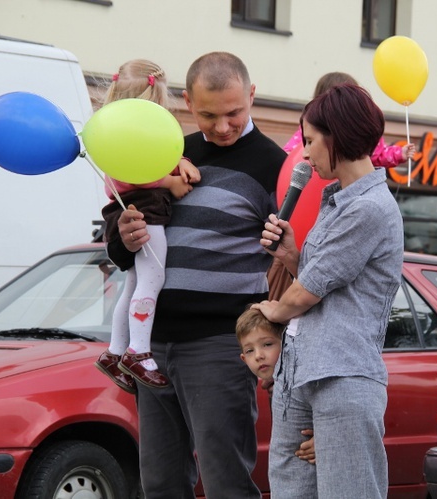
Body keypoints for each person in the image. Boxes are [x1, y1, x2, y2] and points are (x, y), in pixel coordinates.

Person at [110, 52, 288, 498]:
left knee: (226, 479)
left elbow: (295, 257)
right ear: (187, 102)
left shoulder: (274, 166)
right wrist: (125, 237)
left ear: (251, 95)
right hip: (152, 345)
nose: (223, 126)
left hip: (220, 345)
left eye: (234, 113)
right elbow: (123, 247)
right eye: (209, 115)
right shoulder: (169, 151)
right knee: (160, 482)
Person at [254, 83, 404, 498]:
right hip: (304, 371)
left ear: (335, 136)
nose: (303, 153)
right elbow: (328, 279)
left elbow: (308, 293)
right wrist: (290, 258)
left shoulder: (370, 206)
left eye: (310, 140)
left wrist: (270, 312)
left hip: (340, 373)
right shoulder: (339, 201)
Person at [95, 59, 201, 392]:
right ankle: (138, 350)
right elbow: (134, 173)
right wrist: (169, 183)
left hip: (125, 209)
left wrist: (178, 160)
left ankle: (115, 351)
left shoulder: (111, 129)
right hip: (146, 211)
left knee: (133, 282)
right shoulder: (133, 131)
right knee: (153, 278)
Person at [283, 71, 416, 167]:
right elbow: (293, 151)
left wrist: (399, 153)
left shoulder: (357, 129)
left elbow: (376, 153)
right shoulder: (310, 127)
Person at [235, 307, 316, 464]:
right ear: (244, 359)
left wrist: (326, 439)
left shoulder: (307, 381)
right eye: (250, 350)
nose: (259, 355)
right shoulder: (277, 386)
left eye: (267, 344)